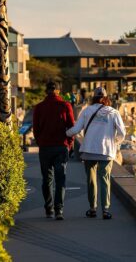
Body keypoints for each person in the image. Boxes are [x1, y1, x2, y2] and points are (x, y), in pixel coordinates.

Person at [67, 87, 125, 220]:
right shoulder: (113, 112)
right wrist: (115, 142)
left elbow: (76, 129)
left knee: (91, 180)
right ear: (106, 97)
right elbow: (122, 133)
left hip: (89, 150)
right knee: (105, 180)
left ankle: (92, 208)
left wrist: (64, 134)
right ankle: (105, 210)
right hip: (106, 151)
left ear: (93, 97)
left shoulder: (87, 110)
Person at [33, 81, 75, 220]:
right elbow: (71, 127)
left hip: (45, 147)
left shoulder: (39, 107)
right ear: (58, 91)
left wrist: (41, 142)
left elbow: (36, 129)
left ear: (46, 91)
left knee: (47, 180)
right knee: (60, 179)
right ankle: (59, 210)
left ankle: (49, 209)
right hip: (60, 147)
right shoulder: (65, 105)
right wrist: (69, 144)